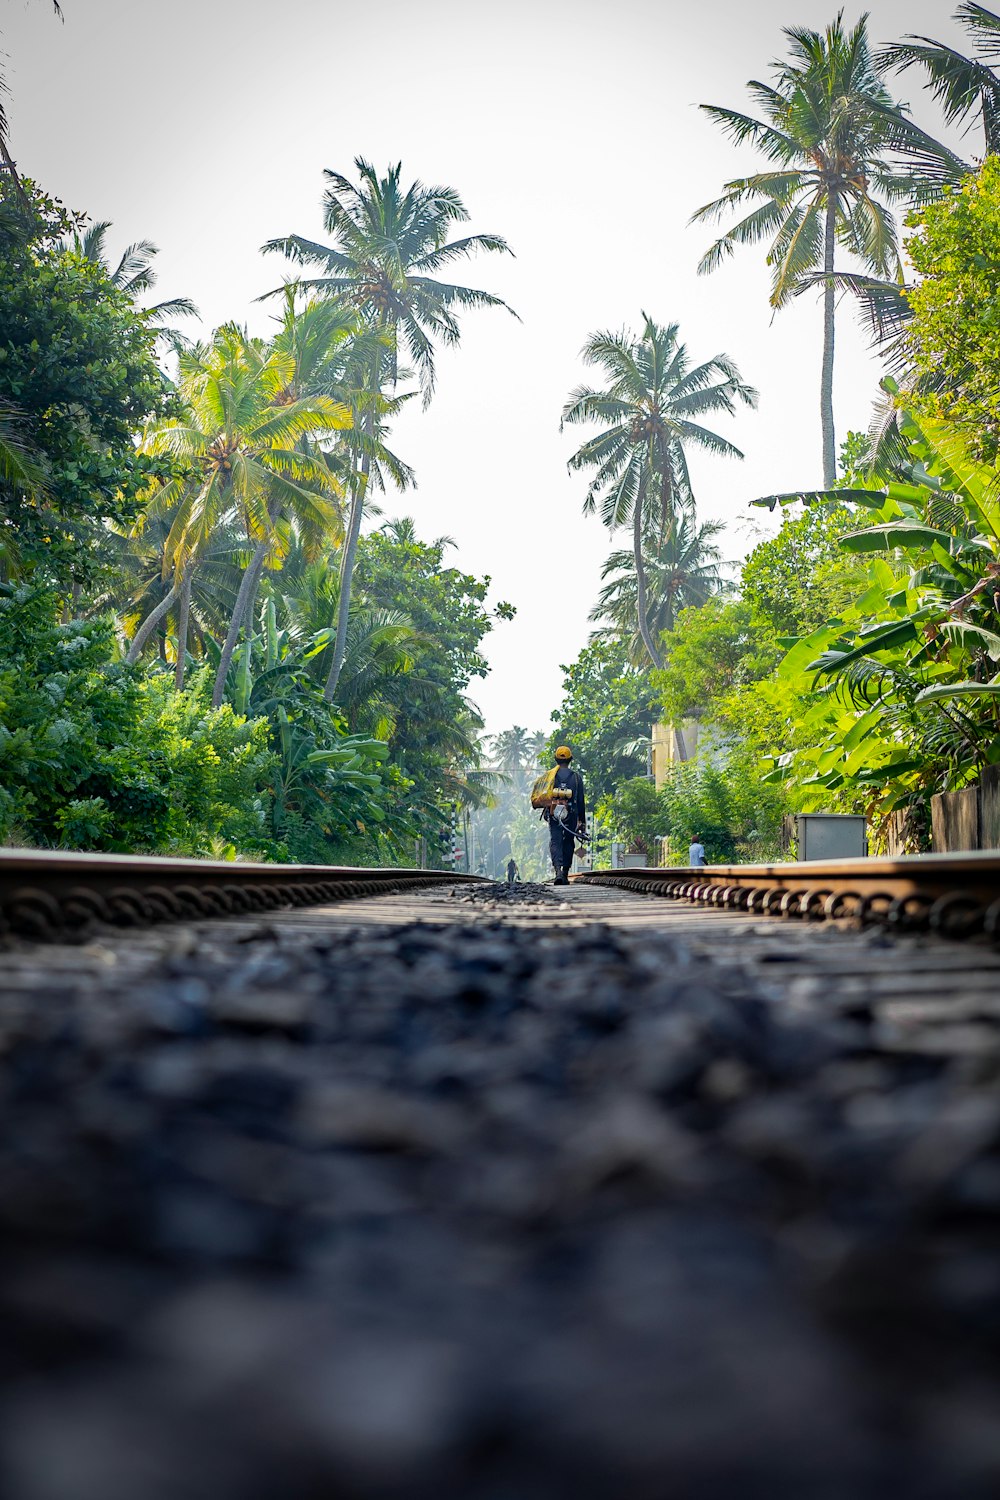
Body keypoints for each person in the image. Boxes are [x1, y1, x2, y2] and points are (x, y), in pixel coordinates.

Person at [545, 746, 586, 886]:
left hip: (554, 813)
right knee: (568, 841)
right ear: (569, 760)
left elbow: (545, 796)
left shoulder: (551, 776)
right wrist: (582, 821)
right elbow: (580, 801)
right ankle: (565, 873)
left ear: (556, 759)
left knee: (555, 841)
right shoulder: (576, 778)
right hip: (571, 815)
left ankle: (558, 871)